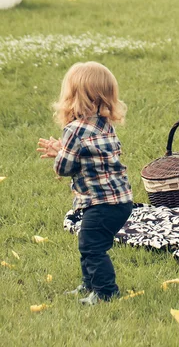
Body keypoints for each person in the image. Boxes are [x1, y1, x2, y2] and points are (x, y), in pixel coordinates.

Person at [37, 62, 133, 305]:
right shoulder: (104, 125)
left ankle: (105, 293)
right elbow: (91, 157)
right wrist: (64, 150)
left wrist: (60, 153)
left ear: (72, 96)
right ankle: (89, 284)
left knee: (92, 247)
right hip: (120, 201)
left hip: (101, 203)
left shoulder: (74, 130)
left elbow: (64, 167)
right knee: (88, 241)